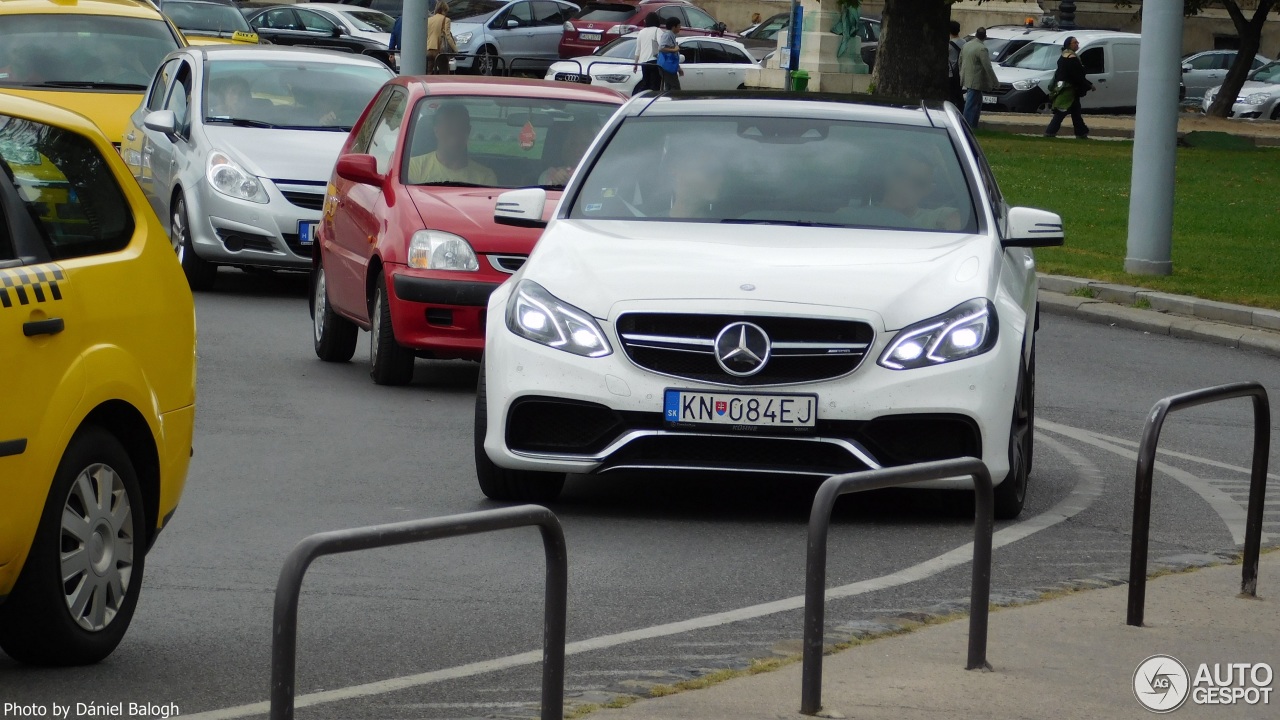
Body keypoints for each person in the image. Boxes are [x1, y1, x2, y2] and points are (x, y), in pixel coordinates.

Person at [872, 149, 963, 231]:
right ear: (886, 174)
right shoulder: (860, 214)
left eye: (919, 182)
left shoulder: (938, 218)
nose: (906, 184)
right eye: (900, 173)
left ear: (928, 190)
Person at [407, 102, 496, 185]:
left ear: (468, 131)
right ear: (436, 130)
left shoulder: (485, 177)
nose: (455, 131)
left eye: (460, 126)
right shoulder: (413, 168)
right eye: (449, 126)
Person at [1044, 36, 1093, 139]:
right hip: (1067, 91)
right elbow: (1077, 75)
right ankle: (1050, 132)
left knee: (1076, 113)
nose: (1077, 44)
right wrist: (1088, 85)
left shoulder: (1064, 56)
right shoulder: (1071, 58)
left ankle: (1081, 133)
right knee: (1061, 112)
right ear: (1069, 45)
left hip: (1070, 91)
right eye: (1075, 42)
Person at [959, 27, 997, 128]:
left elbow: (960, 61)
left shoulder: (966, 45)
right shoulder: (982, 48)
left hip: (967, 78)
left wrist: (961, 74)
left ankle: (973, 125)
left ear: (976, 34)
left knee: (977, 103)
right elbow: (987, 67)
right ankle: (966, 125)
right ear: (985, 36)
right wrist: (995, 82)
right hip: (976, 80)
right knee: (971, 104)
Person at [539, 121, 598, 186]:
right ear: (565, 147)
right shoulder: (549, 175)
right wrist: (555, 184)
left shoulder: (600, 174)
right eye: (573, 144)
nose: (578, 149)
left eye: (585, 144)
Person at [632, 14, 663, 94]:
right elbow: (661, 45)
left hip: (644, 62)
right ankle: (653, 102)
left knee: (645, 84)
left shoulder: (641, 32)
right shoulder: (658, 30)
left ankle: (640, 99)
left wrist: (635, 64)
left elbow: (638, 49)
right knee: (655, 86)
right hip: (654, 61)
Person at [426, 2, 456, 74]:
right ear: (443, 10)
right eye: (446, 11)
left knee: (428, 73)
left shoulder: (429, 20)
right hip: (439, 51)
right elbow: (448, 36)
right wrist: (455, 49)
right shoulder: (446, 20)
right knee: (444, 73)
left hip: (429, 49)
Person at [655, 17, 684, 92]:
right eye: (678, 26)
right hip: (666, 66)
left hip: (670, 66)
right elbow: (661, 48)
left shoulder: (672, 35)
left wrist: (678, 68)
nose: (680, 28)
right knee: (675, 88)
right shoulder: (667, 35)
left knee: (668, 88)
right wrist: (674, 50)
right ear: (673, 27)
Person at [947, 21, 964, 109]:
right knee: (959, 96)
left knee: (951, 97)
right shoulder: (965, 42)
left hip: (951, 74)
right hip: (960, 73)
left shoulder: (949, 45)